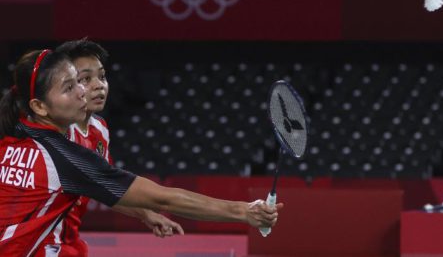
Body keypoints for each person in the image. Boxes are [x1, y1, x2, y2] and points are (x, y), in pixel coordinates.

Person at [0, 49, 283, 256]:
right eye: (70, 87)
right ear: (39, 106)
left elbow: (101, 187)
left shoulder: (13, 136)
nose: (83, 93)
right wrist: (243, 211)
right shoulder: (65, 157)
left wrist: (143, 214)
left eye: (81, 82)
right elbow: (165, 198)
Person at [36, 40, 183, 257]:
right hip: (35, 243)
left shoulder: (99, 129)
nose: (98, 85)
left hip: (68, 242)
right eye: (85, 79)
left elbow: (106, 188)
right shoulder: (54, 132)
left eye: (102, 77)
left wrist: (145, 214)